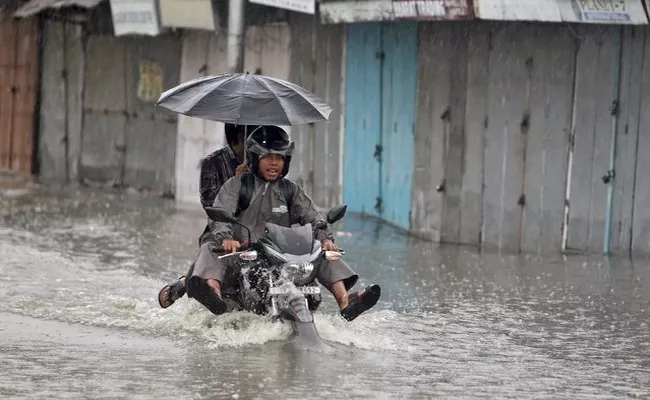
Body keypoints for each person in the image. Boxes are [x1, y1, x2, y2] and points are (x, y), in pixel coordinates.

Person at [185, 125, 381, 321]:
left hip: (277, 255)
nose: (274, 163)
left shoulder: (290, 190)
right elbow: (220, 215)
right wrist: (226, 238)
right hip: (241, 253)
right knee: (210, 247)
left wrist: (325, 239)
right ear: (254, 158)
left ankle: (344, 300)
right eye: (268, 157)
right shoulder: (237, 185)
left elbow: (313, 217)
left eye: (279, 158)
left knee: (321, 251)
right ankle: (213, 293)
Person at [157, 123, 258, 308]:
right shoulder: (213, 163)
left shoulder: (262, 163)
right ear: (240, 138)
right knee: (211, 250)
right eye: (254, 137)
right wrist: (236, 184)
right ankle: (196, 286)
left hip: (255, 230)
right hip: (220, 230)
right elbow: (211, 206)